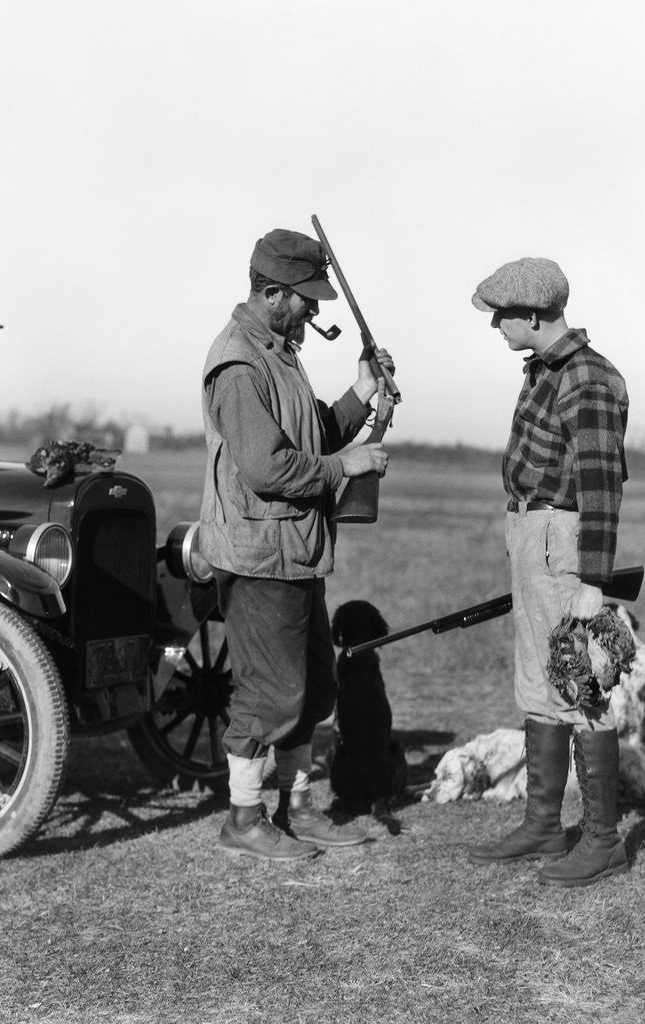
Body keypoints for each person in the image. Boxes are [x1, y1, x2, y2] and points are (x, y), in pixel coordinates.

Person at [197, 227, 394, 861]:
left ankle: (296, 806)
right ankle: (245, 818)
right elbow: (269, 468)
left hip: (295, 551)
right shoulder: (239, 363)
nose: (315, 310)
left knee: (314, 685)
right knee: (271, 692)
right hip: (258, 555)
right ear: (274, 292)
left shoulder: (278, 351)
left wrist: (363, 394)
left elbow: (314, 434)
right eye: (307, 299)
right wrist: (348, 467)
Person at [467, 257, 629, 887]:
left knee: (581, 684)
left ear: (534, 315)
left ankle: (603, 840)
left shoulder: (587, 379)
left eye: (503, 316)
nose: (497, 327)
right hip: (533, 533)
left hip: (565, 541)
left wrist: (593, 583)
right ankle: (542, 825)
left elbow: (601, 489)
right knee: (538, 681)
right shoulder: (544, 370)